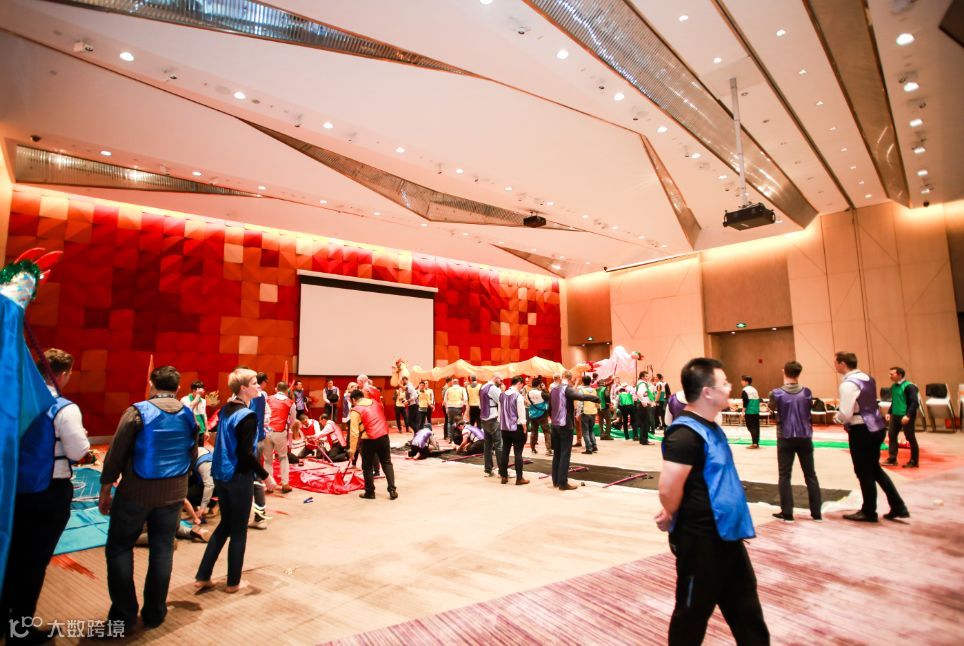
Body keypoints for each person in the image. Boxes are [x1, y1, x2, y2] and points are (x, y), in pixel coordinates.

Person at [655, 358, 769, 644]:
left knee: (748, 613)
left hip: (728, 536)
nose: (730, 387)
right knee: (691, 617)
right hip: (701, 541)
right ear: (707, 392)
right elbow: (668, 488)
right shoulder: (684, 435)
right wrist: (670, 511)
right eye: (724, 383)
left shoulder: (711, 426)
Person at [1, 349, 91, 644]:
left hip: (13, 488)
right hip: (48, 491)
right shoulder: (64, 408)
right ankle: (21, 630)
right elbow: (78, 451)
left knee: (11, 556)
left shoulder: (16, 399)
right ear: (63, 374)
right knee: (34, 562)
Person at [100, 365, 198, 632]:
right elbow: (192, 453)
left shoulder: (136, 412)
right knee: (163, 550)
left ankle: (123, 616)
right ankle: (155, 613)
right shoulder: (188, 415)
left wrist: (106, 488)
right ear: (178, 388)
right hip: (174, 494)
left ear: (151, 384)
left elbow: (116, 453)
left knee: (119, 548)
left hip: (136, 492)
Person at [195, 368, 269, 592]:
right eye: (254, 383)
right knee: (238, 531)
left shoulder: (227, 409)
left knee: (225, 525)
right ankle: (234, 582)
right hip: (238, 477)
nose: (258, 386)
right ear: (243, 388)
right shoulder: (247, 416)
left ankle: (203, 575)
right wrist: (266, 476)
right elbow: (245, 454)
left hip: (221, 474)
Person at [833, 352, 909, 522]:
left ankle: (869, 511)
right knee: (874, 469)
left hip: (861, 430)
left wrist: (836, 418)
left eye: (836, 362)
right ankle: (898, 505)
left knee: (863, 471)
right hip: (877, 427)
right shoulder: (868, 378)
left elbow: (845, 413)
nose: (835, 365)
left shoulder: (848, 384)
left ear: (843, 364)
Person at [768, 361, 822, 522]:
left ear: (784, 371)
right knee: (810, 474)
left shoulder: (776, 393)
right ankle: (816, 513)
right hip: (805, 436)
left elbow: (772, 408)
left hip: (785, 436)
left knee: (784, 475)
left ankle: (787, 513)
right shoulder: (807, 392)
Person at [549, 371, 600, 491]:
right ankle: (563, 483)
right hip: (565, 425)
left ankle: (555, 480)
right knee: (565, 454)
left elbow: (549, 409)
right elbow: (580, 396)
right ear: (571, 378)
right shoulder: (567, 389)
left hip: (554, 425)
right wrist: (595, 398)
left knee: (557, 454)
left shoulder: (553, 389)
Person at [349, 389, 398, 500]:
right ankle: (392, 490)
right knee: (387, 463)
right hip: (384, 436)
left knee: (367, 467)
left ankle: (370, 492)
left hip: (369, 440)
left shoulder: (355, 411)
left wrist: (352, 451)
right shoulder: (375, 402)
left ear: (353, 399)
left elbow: (354, 433)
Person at [883, 366, 920, 468]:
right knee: (891, 435)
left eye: (892, 374)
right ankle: (892, 459)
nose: (890, 376)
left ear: (899, 375)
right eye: (889, 374)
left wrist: (908, 416)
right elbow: (895, 401)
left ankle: (914, 461)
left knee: (910, 438)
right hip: (895, 416)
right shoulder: (893, 387)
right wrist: (889, 412)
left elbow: (914, 403)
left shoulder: (909, 387)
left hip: (905, 416)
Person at [264, 381, 296, 494]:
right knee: (283, 457)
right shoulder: (290, 403)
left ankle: (269, 486)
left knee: (267, 460)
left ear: (276, 389)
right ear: (287, 390)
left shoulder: (267, 399)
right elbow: (292, 420)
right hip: (280, 432)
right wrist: (288, 428)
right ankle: (285, 484)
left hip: (266, 431)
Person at [249, 372, 271, 531]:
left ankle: (259, 517)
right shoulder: (261, 396)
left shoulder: (254, 397)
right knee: (254, 479)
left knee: (255, 480)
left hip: (251, 442)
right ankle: (258, 516)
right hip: (257, 440)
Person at [498, 376, 529, 486]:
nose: (522, 387)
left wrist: (501, 424)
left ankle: (503, 476)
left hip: (504, 428)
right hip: (516, 428)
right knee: (518, 453)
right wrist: (524, 426)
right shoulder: (518, 396)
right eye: (522, 385)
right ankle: (519, 478)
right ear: (519, 383)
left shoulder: (502, 395)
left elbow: (499, 412)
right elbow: (521, 413)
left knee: (505, 451)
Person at [479, 374, 505, 478]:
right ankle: (502, 471)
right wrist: (502, 391)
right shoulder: (493, 388)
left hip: (484, 418)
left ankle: (488, 469)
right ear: (496, 378)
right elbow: (502, 400)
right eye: (501, 380)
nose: (501, 382)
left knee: (488, 445)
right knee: (499, 445)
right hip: (493, 418)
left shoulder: (483, 387)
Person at [526, 377, 552, 455]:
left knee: (533, 431)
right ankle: (548, 449)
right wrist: (544, 389)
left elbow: (528, 403)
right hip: (542, 414)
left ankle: (533, 449)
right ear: (539, 385)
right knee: (546, 432)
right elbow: (549, 397)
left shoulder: (528, 393)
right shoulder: (541, 393)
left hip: (532, 415)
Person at [579, 375, 599, 454]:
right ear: (590, 382)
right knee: (591, 430)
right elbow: (597, 401)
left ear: (582, 382)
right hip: (593, 412)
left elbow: (580, 403)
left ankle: (589, 448)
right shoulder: (594, 390)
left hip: (585, 412)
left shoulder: (581, 391)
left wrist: (578, 413)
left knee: (585, 431)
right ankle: (594, 446)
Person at [444, 377, 468, 444]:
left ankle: (450, 438)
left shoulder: (448, 389)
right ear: (458, 383)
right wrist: (464, 407)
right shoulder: (462, 389)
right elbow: (465, 399)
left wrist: (447, 408)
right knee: (458, 423)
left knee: (449, 422)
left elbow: (445, 400)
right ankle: (457, 437)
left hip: (450, 408)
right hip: (458, 408)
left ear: (453, 383)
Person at [741, 376, 761, 449]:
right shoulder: (754, 389)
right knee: (756, 427)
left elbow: (745, 402)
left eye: (742, 380)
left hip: (749, 411)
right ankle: (756, 443)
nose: (741, 382)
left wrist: (743, 412)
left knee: (751, 427)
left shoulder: (745, 390)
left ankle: (754, 444)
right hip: (756, 411)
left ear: (746, 382)